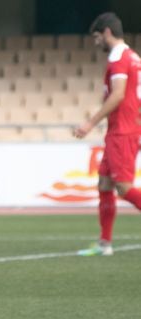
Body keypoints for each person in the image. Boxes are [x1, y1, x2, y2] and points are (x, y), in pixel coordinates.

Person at [74, 12, 141, 256]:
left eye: (96, 37)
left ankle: (105, 243)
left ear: (107, 33)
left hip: (123, 132)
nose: (96, 42)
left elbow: (119, 94)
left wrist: (90, 123)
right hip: (121, 130)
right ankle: (105, 244)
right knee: (104, 183)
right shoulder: (132, 56)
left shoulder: (119, 58)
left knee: (123, 187)